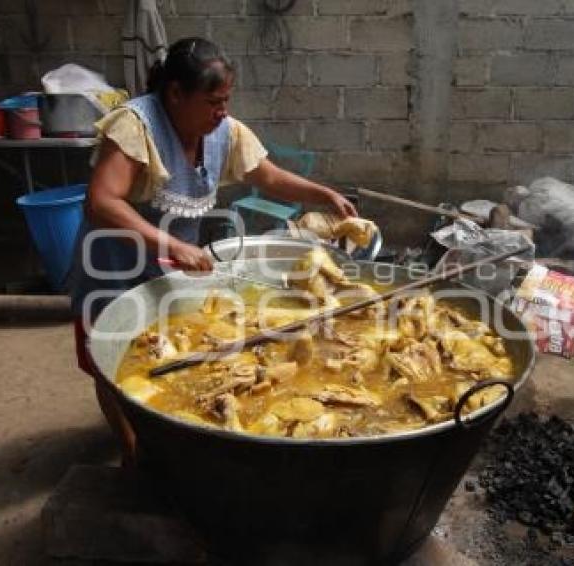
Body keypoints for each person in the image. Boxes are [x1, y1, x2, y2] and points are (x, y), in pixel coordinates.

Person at [68, 37, 357, 464]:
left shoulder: (224, 131)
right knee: (109, 359)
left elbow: (269, 177)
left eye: (226, 100)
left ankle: (167, 438)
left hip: (164, 264)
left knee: (168, 349)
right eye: (212, 101)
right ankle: (132, 453)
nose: (222, 111)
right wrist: (173, 245)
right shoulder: (135, 125)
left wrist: (324, 195)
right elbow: (101, 201)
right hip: (112, 261)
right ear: (176, 94)